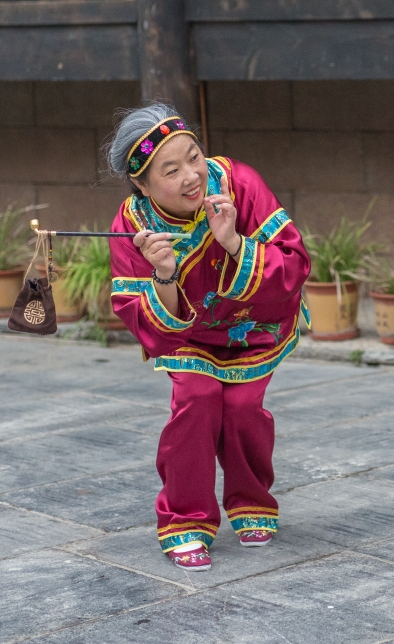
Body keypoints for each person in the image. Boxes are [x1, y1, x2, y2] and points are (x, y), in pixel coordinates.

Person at [106, 103, 310, 571]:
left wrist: (235, 242)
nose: (192, 176)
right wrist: (162, 274)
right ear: (142, 184)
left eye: (194, 156)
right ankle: (184, 519)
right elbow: (136, 312)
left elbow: (295, 262)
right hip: (188, 335)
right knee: (197, 398)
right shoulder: (132, 224)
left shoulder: (239, 183)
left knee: (241, 407)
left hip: (252, 323)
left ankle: (251, 500)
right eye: (171, 170)